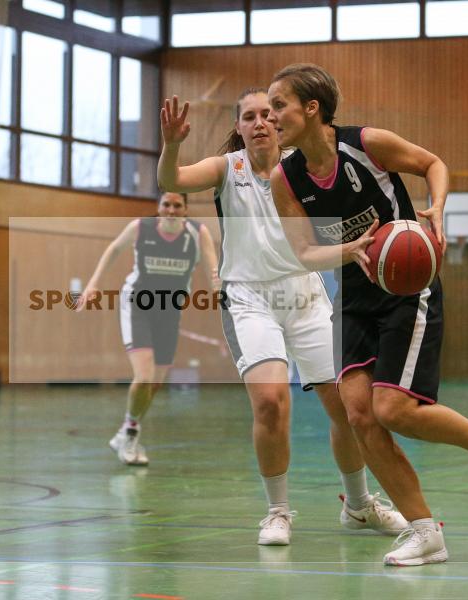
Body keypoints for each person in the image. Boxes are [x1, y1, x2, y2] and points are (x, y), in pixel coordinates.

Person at [267, 63, 468, 565]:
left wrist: (437, 208)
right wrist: (350, 250)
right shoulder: (287, 176)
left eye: (279, 105)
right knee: (359, 414)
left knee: (393, 409)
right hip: (355, 296)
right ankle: (425, 531)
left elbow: (433, 163)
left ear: (311, 108)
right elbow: (302, 251)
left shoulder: (365, 144)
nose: (272, 116)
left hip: (408, 288)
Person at [158, 91, 407, 546]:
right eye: (248, 116)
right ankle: (277, 512)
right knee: (271, 401)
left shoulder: (299, 168)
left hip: (306, 295)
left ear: (279, 124)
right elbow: (171, 178)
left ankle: (358, 506)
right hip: (249, 297)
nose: (259, 123)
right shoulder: (226, 169)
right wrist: (172, 144)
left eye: (267, 116)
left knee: (349, 408)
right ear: (239, 126)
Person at [79, 192, 219, 466]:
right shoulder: (140, 228)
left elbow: (213, 267)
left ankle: (126, 431)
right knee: (143, 377)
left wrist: (219, 288)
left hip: (169, 312)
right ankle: (131, 433)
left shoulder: (197, 233)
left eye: (177, 205)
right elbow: (114, 249)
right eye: (166, 204)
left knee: (154, 383)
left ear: (186, 210)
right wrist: (92, 284)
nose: (171, 210)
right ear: (158, 207)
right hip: (138, 306)